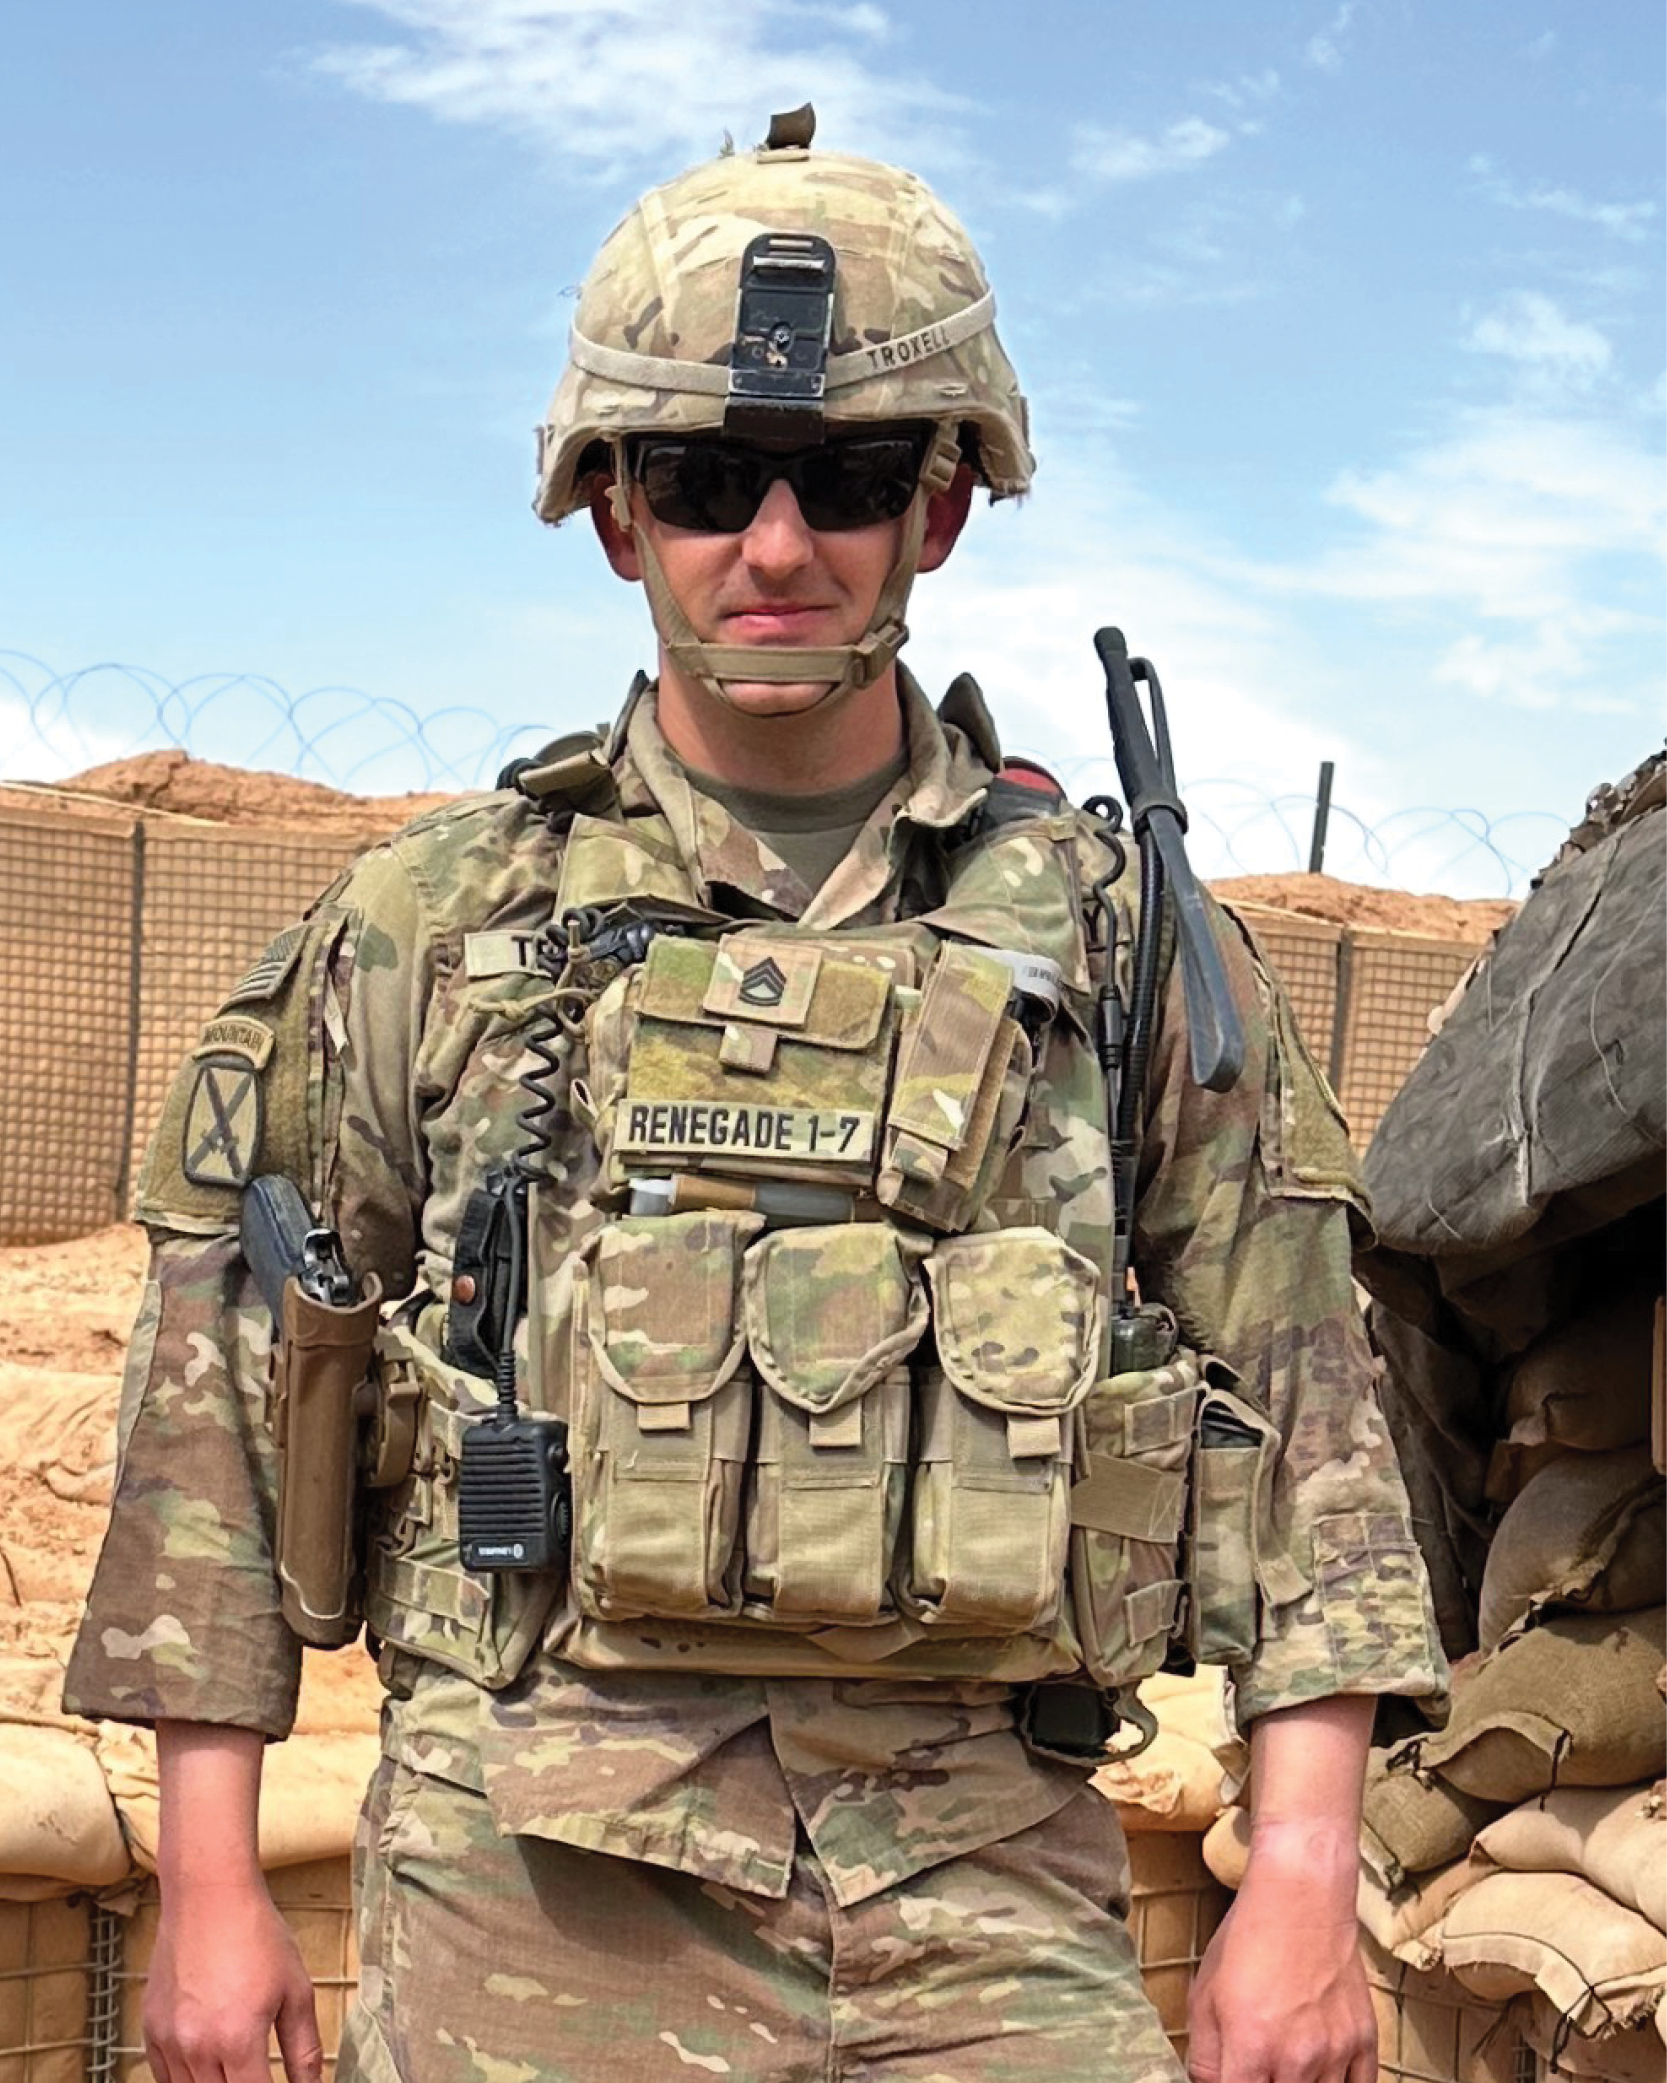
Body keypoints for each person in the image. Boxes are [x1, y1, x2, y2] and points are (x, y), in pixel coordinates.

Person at [66, 107, 1445, 2083]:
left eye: (847, 477)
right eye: (709, 479)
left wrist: (1302, 1874)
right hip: (531, 1889)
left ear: (940, 508)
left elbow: (1303, 1404)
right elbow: (221, 1394)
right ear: (617, 513)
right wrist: (211, 1880)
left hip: (988, 1887)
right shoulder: (436, 920)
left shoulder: (1123, 940)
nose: (777, 545)